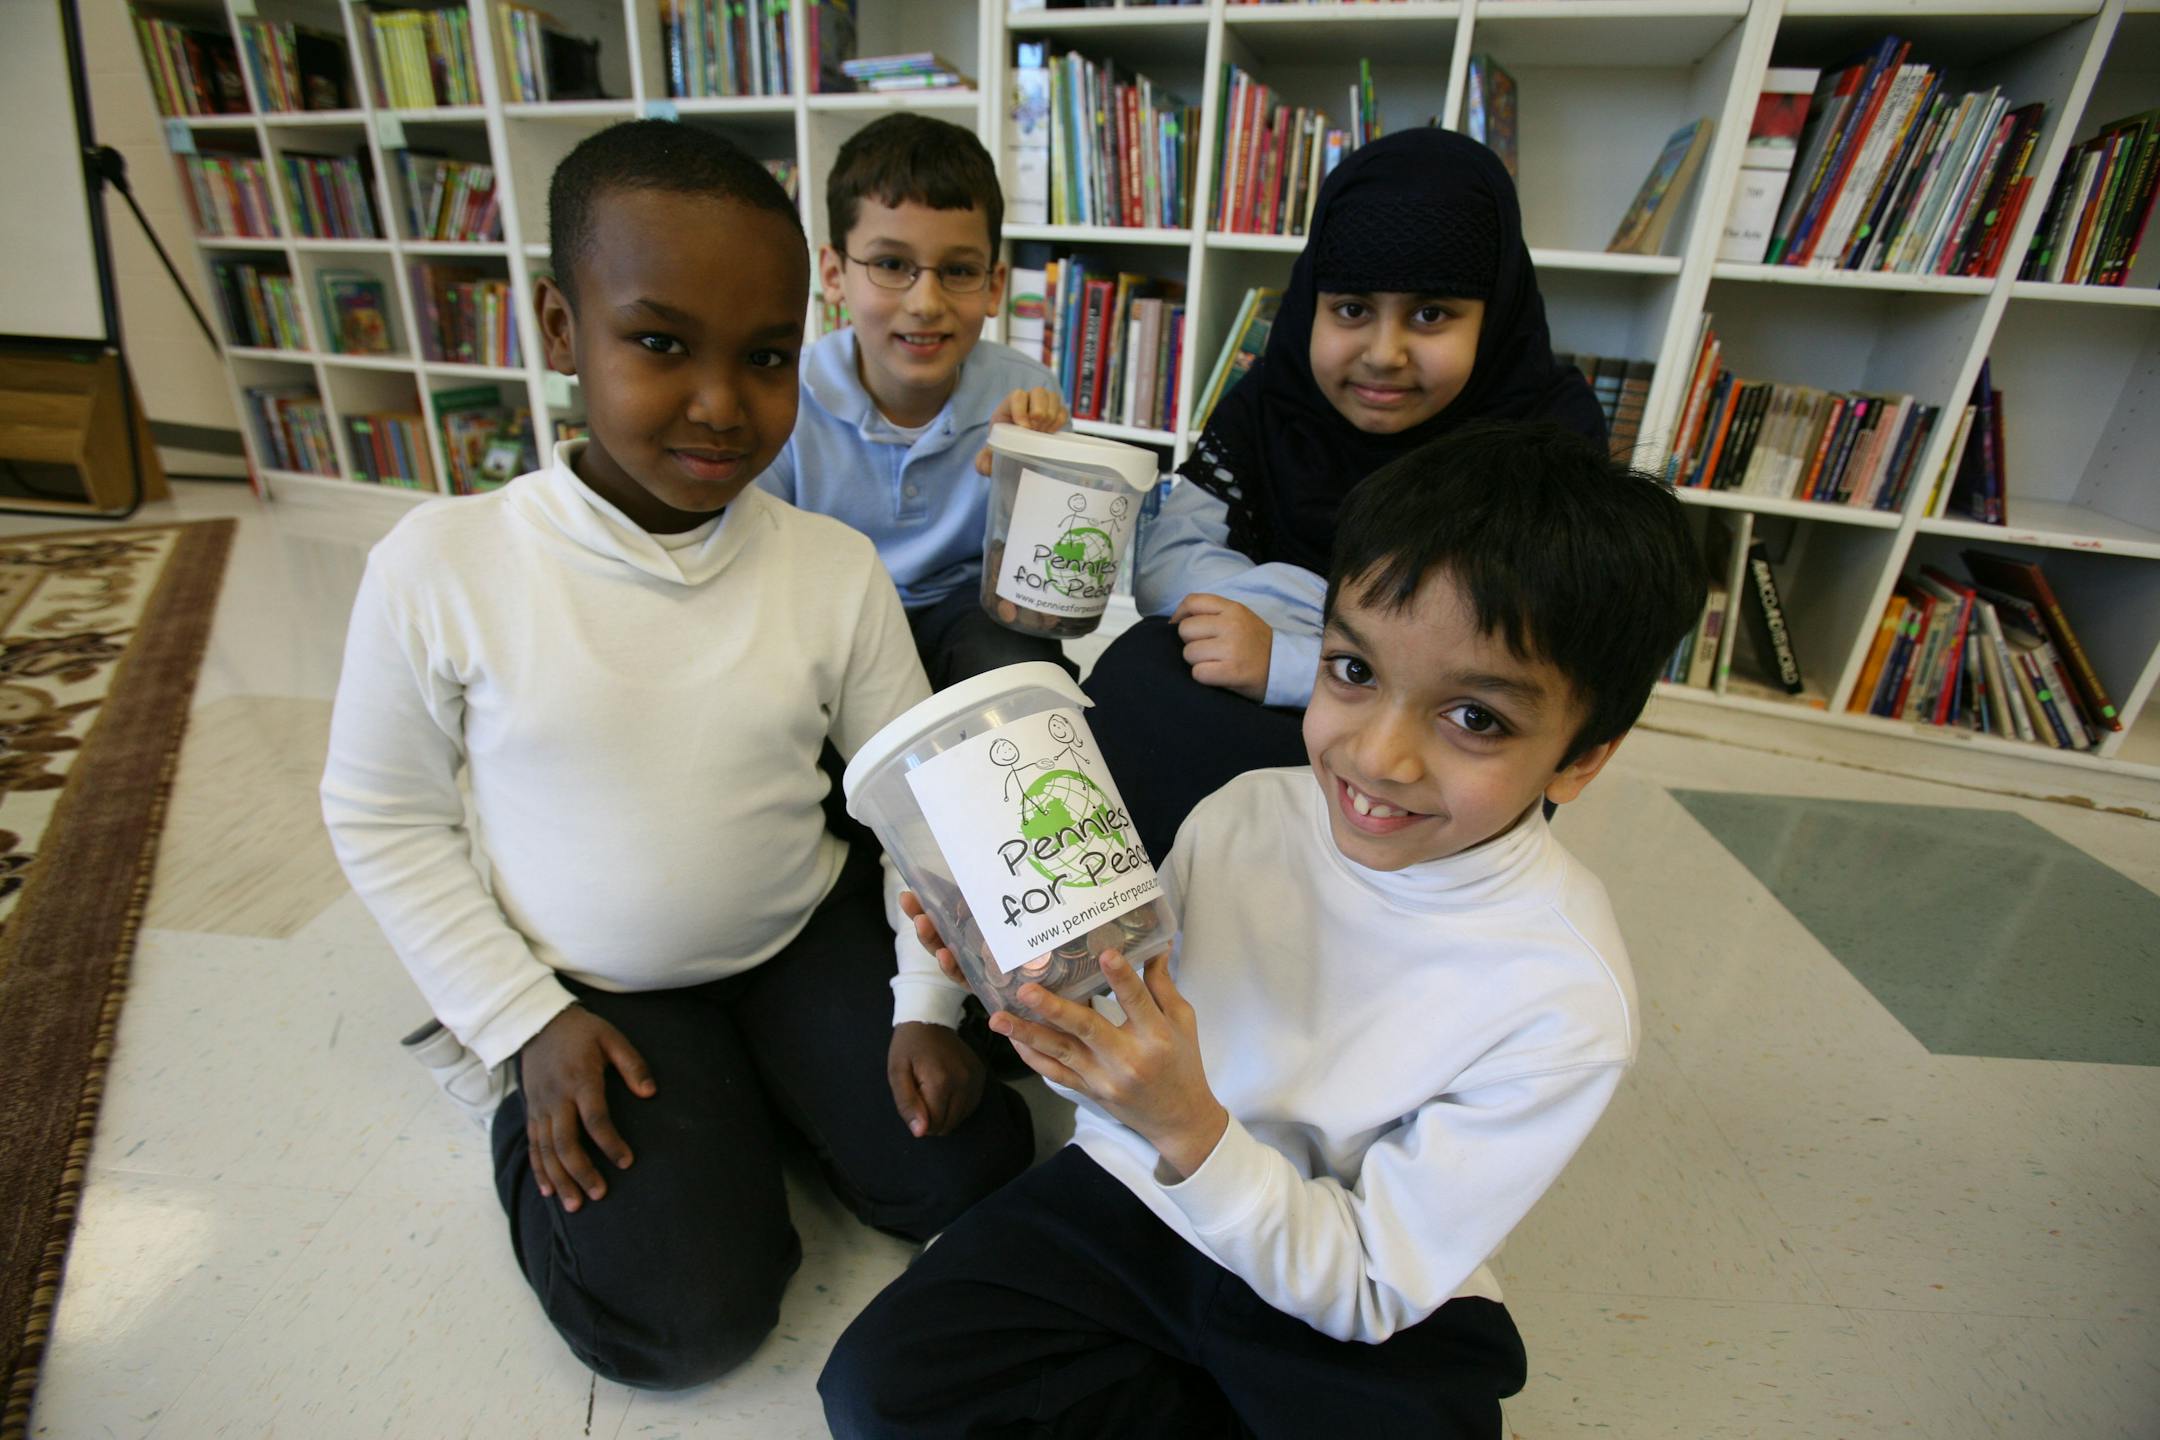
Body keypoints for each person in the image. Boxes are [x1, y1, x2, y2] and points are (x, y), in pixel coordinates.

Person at [319, 120, 1031, 1392]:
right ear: (557, 330)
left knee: (968, 1166)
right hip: (591, 983)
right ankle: (583, 1093)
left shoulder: (831, 567)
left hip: (793, 933)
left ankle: (758, 1082)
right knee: (687, 1322)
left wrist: (926, 1006)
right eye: (659, 344)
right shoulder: (443, 566)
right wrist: (521, 1020)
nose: (720, 403)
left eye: (764, 357)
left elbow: (907, 799)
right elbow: (383, 816)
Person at [818, 420, 1706, 1438]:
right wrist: (1032, 993)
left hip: (1345, 1262)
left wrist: (1192, 1127)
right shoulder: (1244, 812)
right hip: (1146, 1192)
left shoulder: (1566, 994)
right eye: (1353, 672)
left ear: (1583, 757)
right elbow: (1126, 1069)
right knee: (879, 1390)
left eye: (1476, 720)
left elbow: (1373, 1283)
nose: (1380, 757)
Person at [1087, 128, 1606, 858]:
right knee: (1135, 674)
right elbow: (1169, 560)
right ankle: (1126, 929)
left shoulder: (1543, 441)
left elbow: (1510, 654)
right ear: (1310, 304)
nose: (1384, 353)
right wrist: (1308, 622)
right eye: (1352, 309)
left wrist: (1297, 657)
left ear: (1495, 317)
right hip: (1269, 670)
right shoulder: (1274, 399)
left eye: (1431, 314)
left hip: (1442, 731)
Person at [756, 112, 1072, 689]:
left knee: (1021, 676)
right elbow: (756, 578)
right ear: (833, 273)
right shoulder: (784, 398)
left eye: (957, 270)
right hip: (830, 617)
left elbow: (1045, 599)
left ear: (994, 285)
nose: (926, 302)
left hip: (969, 613)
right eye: (892, 265)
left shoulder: (1028, 395)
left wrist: (1032, 480)